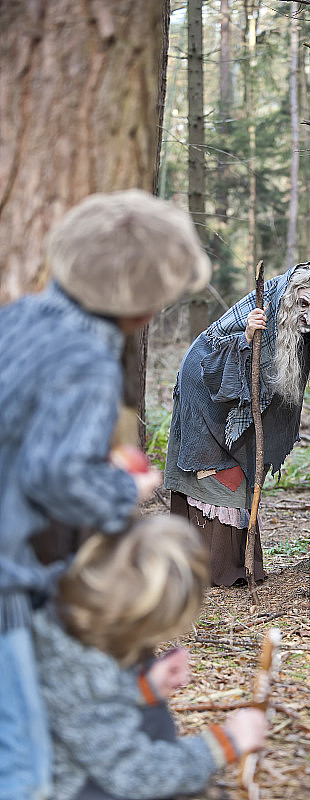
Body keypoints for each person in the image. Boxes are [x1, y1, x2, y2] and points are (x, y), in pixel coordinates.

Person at [0, 189, 210, 800]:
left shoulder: (20, 317)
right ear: (145, 309)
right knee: (22, 762)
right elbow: (54, 477)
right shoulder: (89, 358)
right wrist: (127, 485)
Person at [164, 261, 310, 586]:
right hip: (208, 383)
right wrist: (247, 335)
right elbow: (217, 350)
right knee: (214, 468)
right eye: (303, 304)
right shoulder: (269, 302)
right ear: (291, 299)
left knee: (240, 470)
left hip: (242, 390)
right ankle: (205, 567)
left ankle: (232, 564)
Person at [32, 514, 266, 800]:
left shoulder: (65, 611)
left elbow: (82, 708)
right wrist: (223, 744)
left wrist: (144, 684)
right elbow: (133, 774)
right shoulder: (85, 664)